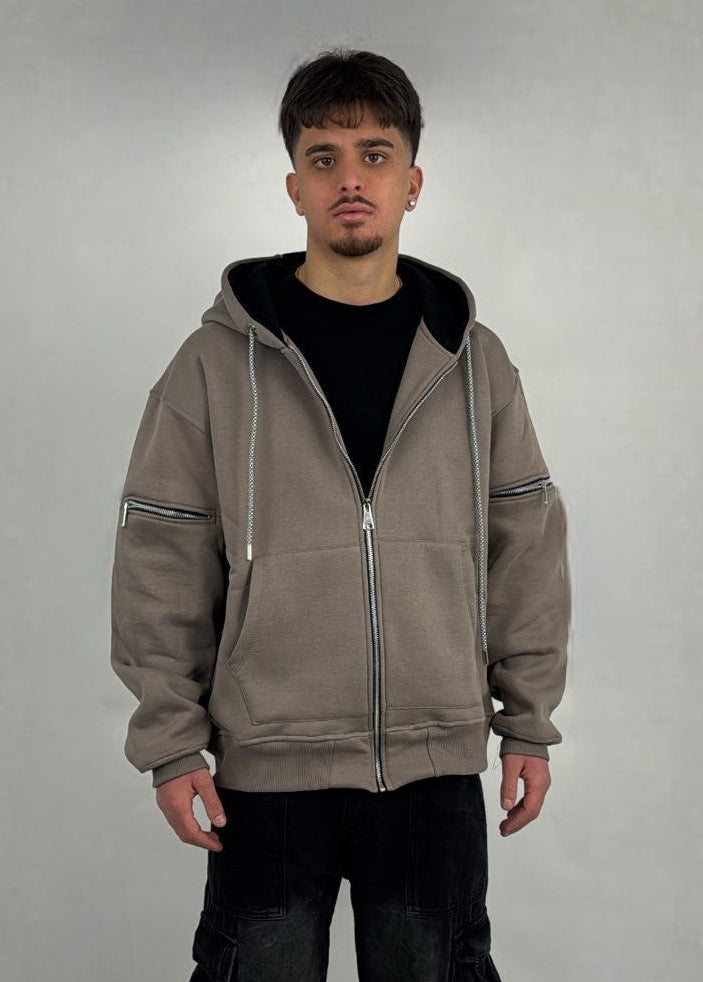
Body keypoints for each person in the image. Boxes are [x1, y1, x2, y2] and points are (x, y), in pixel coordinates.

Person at [110, 46, 571, 982]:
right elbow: (161, 551)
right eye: (323, 157)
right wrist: (170, 742)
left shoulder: (473, 361)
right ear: (294, 186)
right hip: (267, 772)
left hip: (434, 769)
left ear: (412, 182)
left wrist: (526, 722)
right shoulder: (214, 365)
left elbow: (523, 546)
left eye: (374, 154)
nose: (349, 179)